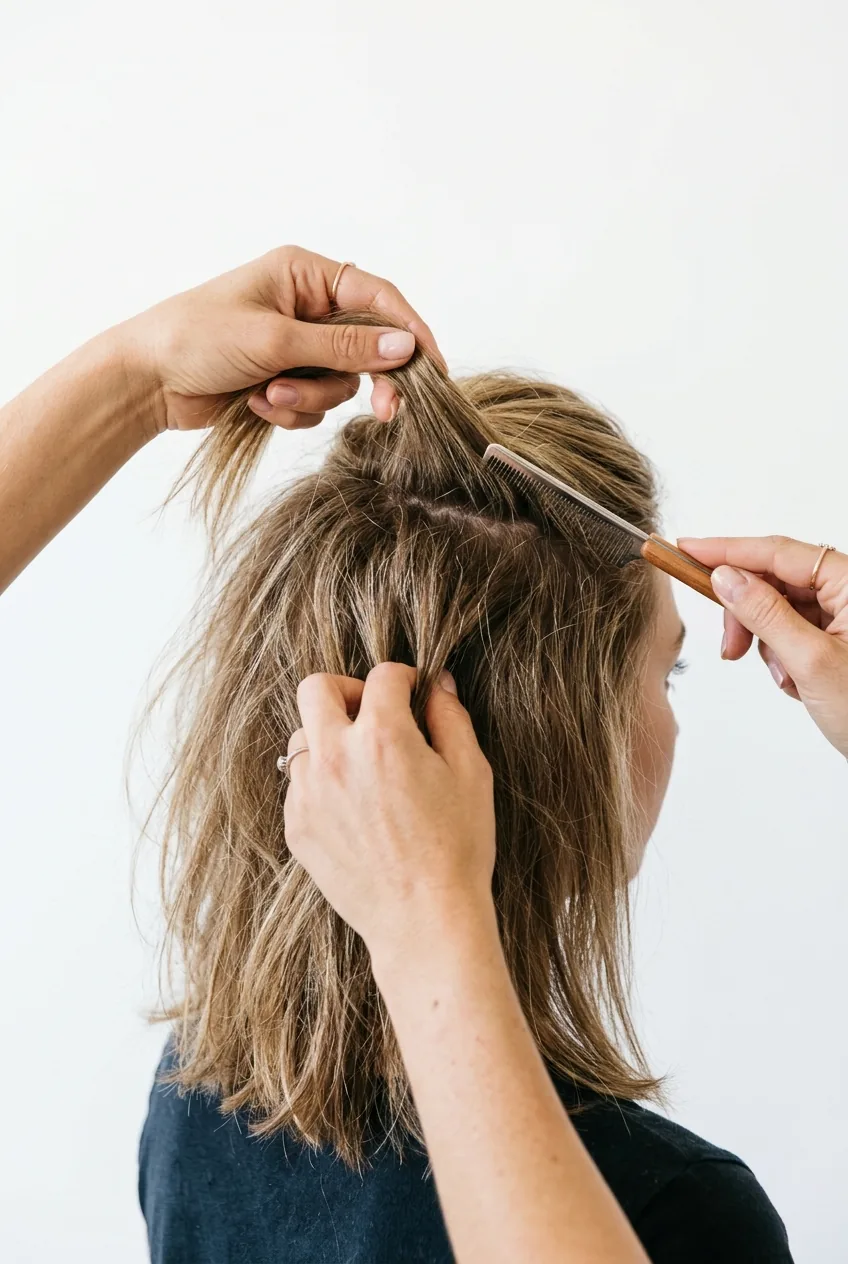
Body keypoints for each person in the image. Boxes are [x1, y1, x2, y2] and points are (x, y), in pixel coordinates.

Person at [1, 246, 844, 1263]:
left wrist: (139, 374)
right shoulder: (668, 1215)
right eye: (665, 676)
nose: (674, 724)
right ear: (559, 751)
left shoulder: (200, 1099)